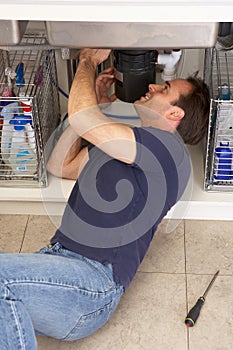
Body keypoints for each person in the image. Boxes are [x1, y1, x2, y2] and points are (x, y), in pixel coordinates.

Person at [0, 48, 210, 349]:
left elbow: (88, 122)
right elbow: (59, 165)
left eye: (164, 89)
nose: (152, 87)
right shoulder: (125, 148)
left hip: (91, 281)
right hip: (57, 266)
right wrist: (89, 110)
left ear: (175, 114)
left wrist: (87, 62)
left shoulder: (169, 150)